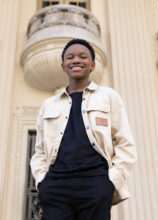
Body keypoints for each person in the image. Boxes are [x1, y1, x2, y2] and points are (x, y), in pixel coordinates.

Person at [30, 38, 137, 220]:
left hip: (95, 184)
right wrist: (42, 182)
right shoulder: (48, 105)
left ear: (92, 65)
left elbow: (125, 143)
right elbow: (40, 151)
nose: (76, 60)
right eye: (70, 57)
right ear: (63, 66)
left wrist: (110, 182)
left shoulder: (108, 97)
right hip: (56, 187)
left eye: (83, 57)